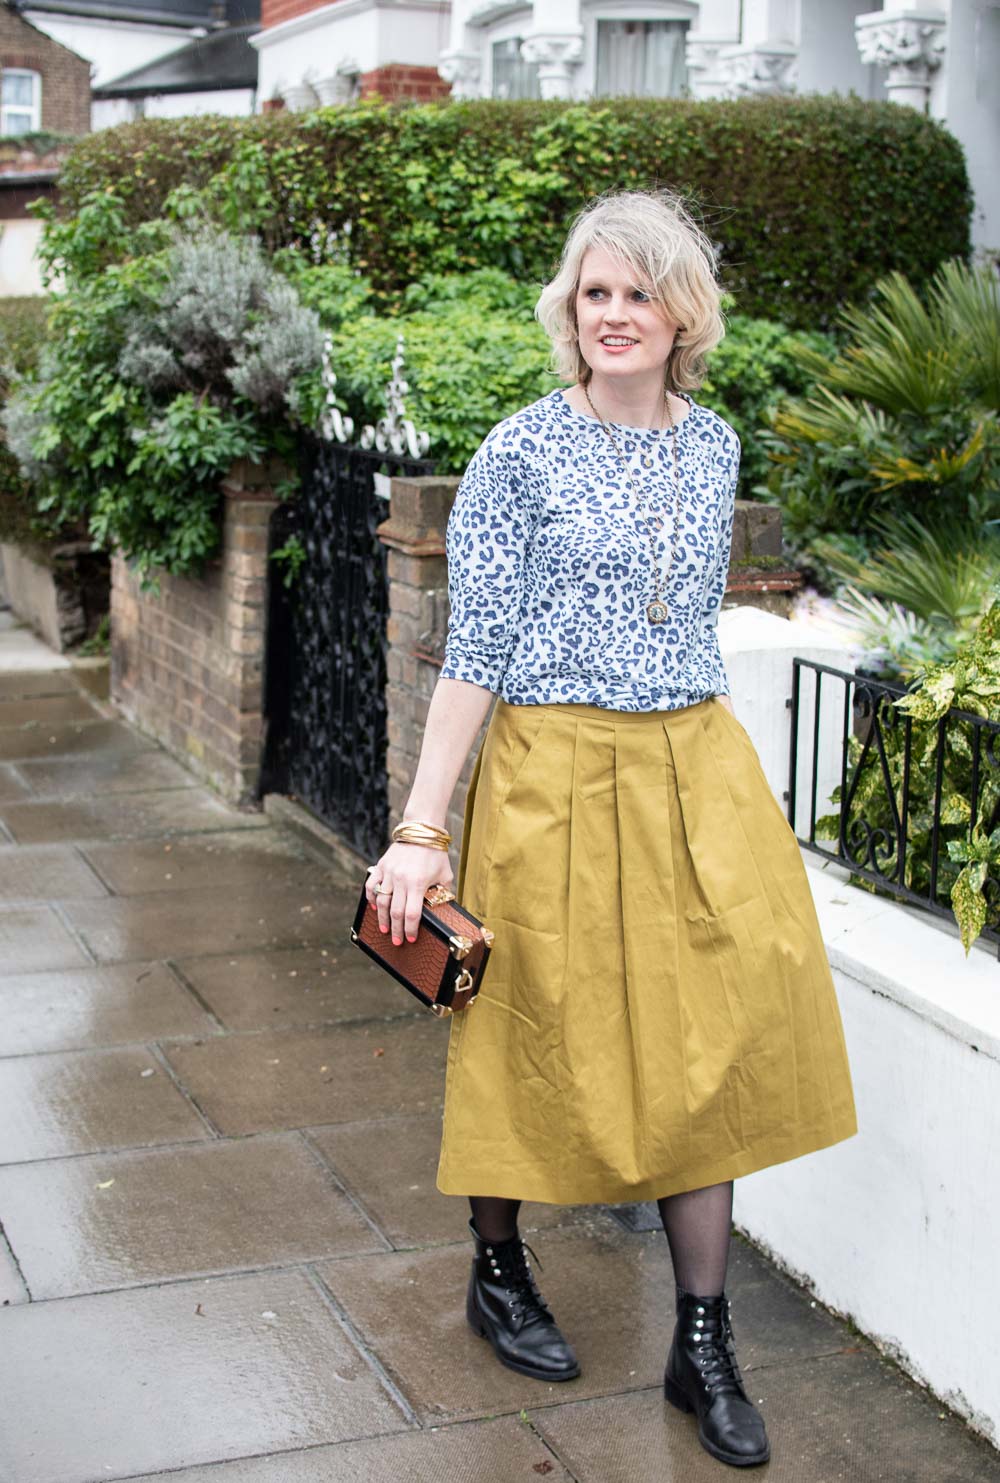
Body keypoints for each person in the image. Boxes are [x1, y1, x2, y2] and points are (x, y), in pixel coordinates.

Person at [364, 188, 858, 1470]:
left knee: (719, 1034)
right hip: (551, 765)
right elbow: (472, 649)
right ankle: (497, 1266)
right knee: (529, 1021)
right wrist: (422, 829)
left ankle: (702, 1342)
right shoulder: (519, 451)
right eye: (595, 293)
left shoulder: (715, 446)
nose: (615, 315)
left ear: (681, 310)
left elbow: (679, 615)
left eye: (639, 292)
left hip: (694, 766)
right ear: (569, 313)